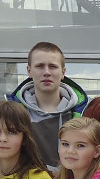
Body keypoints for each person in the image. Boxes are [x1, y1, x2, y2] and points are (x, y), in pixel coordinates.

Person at [6, 42, 88, 170]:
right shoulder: (12, 114)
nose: (46, 72)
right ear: (29, 71)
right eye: (39, 66)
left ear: (63, 72)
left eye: (53, 66)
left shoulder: (83, 113)